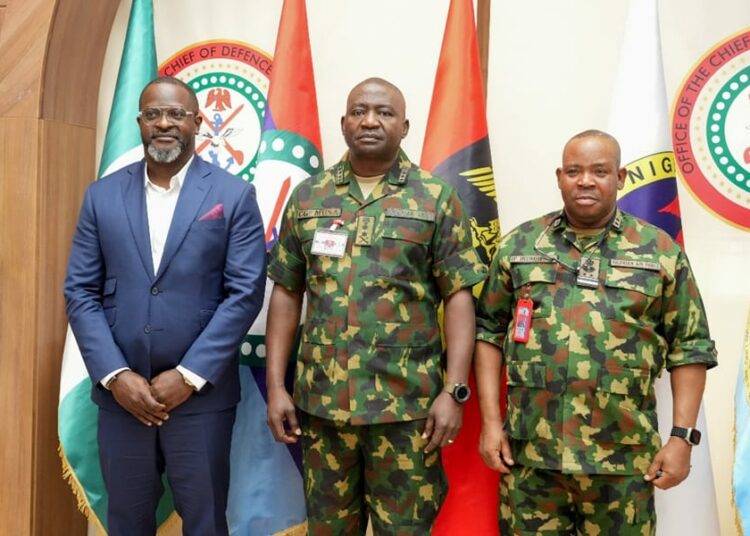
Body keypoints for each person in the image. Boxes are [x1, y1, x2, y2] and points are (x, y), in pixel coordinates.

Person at [264, 77, 487, 535]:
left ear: (404, 127)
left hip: (408, 413)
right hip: (323, 408)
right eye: (359, 110)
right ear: (343, 122)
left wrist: (455, 390)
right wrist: (275, 388)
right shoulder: (309, 196)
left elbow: (459, 297)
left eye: (384, 112)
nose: (370, 120)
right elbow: (287, 293)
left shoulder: (435, 198)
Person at [474, 129, 717, 534]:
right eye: (574, 170)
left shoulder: (658, 252)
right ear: (559, 176)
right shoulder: (520, 245)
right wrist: (490, 422)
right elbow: (487, 334)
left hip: (622, 464)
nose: (585, 180)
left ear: (620, 177)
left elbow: (689, 348)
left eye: (599, 171)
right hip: (531, 459)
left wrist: (681, 438)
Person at [64, 76, 266, 536]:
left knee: (205, 523)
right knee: (127, 523)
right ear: (140, 122)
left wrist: (189, 375)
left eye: (176, 114)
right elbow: (80, 291)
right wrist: (116, 377)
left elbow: (245, 293)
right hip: (122, 400)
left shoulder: (233, 196)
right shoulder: (101, 196)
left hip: (201, 400)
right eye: (153, 114)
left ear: (197, 122)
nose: (164, 123)